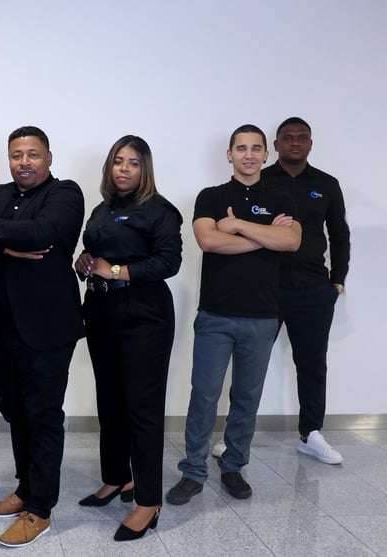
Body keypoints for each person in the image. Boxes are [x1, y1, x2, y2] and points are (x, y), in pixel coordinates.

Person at [166, 125, 301, 506]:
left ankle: (233, 467)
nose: (249, 155)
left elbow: (291, 240)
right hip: (216, 315)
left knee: (246, 398)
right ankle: (193, 471)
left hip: (262, 317)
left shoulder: (280, 197)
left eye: (256, 148)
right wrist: (265, 237)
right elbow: (209, 240)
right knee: (204, 396)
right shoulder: (211, 196)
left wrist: (239, 226)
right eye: (241, 148)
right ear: (229, 155)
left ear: (266, 155)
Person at [0, 126, 85, 548]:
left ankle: (40, 508)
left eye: (33, 154)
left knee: (42, 415)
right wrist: (3, 245)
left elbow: (42, 233)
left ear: (48, 157)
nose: (24, 162)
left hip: (46, 327)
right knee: (15, 411)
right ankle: (24, 488)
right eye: (16, 155)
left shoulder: (65, 193)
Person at [211, 118, 351, 465]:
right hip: (265, 286)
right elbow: (235, 232)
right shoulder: (261, 182)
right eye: (288, 138)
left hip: (313, 288)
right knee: (249, 365)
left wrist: (337, 281)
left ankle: (311, 434)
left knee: (313, 363)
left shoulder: (326, 184)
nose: (295, 143)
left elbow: (339, 234)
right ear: (275, 146)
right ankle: (234, 435)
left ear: (311, 144)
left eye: (302, 138)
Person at [74, 135, 182, 541]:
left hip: (144, 316)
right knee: (111, 402)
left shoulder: (159, 210)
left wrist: (115, 271)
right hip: (101, 312)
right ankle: (117, 477)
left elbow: (169, 261)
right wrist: (86, 263)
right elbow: (96, 255)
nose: (124, 168)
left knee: (142, 408)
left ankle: (149, 500)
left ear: (144, 169)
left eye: (133, 163)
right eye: (118, 161)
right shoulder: (103, 209)